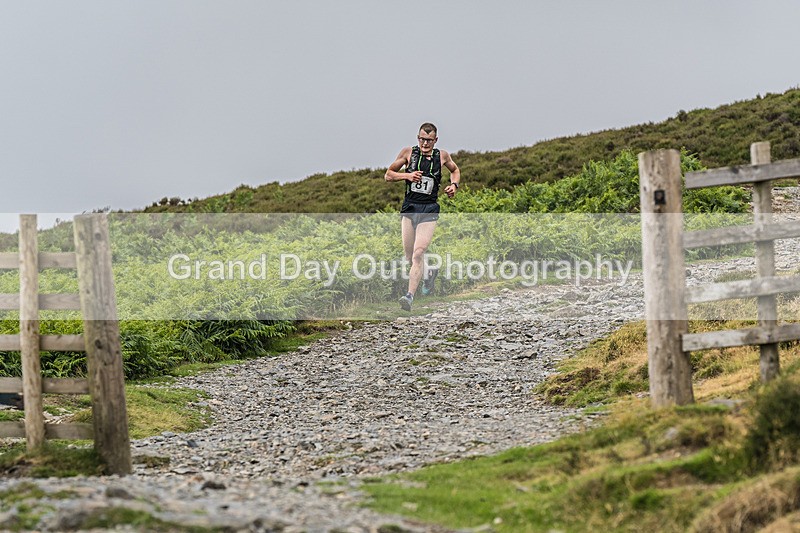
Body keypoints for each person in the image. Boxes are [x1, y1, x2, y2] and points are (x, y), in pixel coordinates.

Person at [385, 123, 461, 311]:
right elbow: (388, 175)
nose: (425, 143)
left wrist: (454, 186)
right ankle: (430, 274)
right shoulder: (408, 153)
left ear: (435, 140)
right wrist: (407, 176)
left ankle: (409, 297)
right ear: (417, 138)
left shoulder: (442, 156)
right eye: (421, 139)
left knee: (419, 252)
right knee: (410, 257)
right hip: (410, 207)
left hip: (429, 209)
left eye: (428, 140)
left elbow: (455, 170)